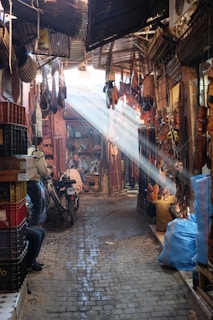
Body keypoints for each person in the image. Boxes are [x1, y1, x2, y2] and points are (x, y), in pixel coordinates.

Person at [27, 136, 53, 226]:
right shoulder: (37, 153)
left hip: (24, 181)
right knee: (38, 207)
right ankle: (32, 229)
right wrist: (50, 171)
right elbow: (43, 171)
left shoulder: (28, 150)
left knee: (32, 205)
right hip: (32, 182)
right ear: (40, 143)